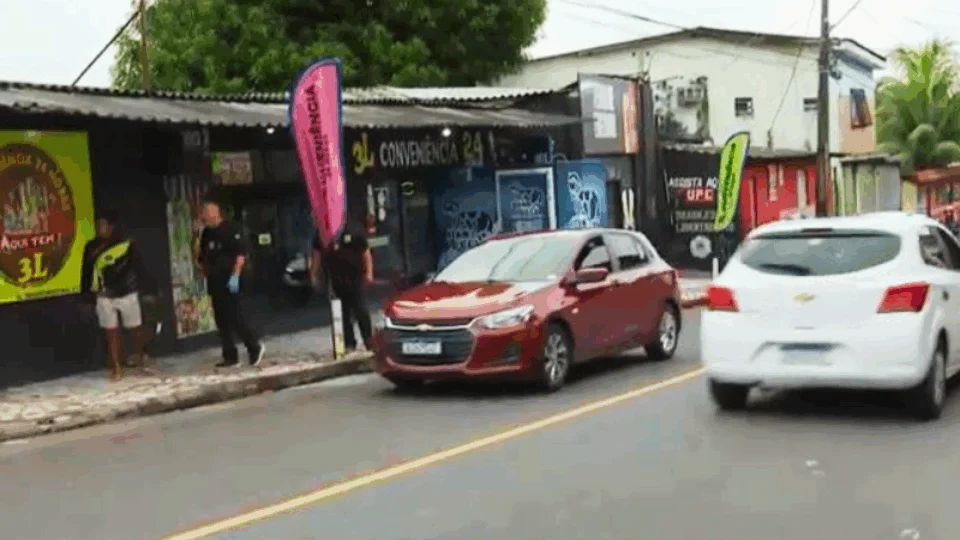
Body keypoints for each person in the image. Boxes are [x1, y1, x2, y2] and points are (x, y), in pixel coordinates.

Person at [80, 209, 155, 381]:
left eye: (103, 225)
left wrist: (148, 289)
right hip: (104, 295)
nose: (99, 228)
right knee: (111, 332)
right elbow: (85, 272)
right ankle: (116, 366)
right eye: (97, 225)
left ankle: (140, 355)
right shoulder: (91, 247)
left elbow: (138, 268)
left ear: (111, 226)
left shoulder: (126, 244)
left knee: (135, 329)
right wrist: (86, 295)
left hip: (126, 292)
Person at [197, 198, 265, 368]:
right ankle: (230, 356)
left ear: (215, 213)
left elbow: (240, 254)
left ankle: (254, 346)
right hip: (215, 281)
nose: (203, 218)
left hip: (231, 280)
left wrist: (235, 275)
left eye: (205, 214)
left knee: (236, 317)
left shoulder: (230, 229)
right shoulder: (206, 233)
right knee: (221, 320)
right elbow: (202, 256)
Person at [310, 227, 374, 352]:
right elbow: (316, 255)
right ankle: (348, 345)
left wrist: (369, 273)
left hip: (356, 279)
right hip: (335, 280)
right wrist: (313, 275)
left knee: (361, 312)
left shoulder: (353, 229)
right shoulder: (322, 234)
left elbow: (365, 252)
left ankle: (369, 342)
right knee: (342, 314)